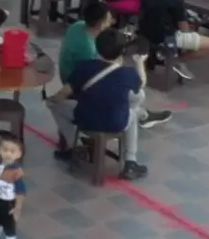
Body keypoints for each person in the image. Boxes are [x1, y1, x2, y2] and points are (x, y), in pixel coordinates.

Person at [48, 29, 149, 179]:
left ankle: (73, 147)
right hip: (116, 122)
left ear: (97, 46)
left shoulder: (85, 67)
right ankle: (130, 162)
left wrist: (51, 100)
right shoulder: (128, 74)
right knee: (133, 113)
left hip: (85, 119)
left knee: (54, 105)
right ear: (123, 51)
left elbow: (63, 94)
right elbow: (141, 84)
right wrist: (139, 62)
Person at [138, 0, 209, 83]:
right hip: (164, 37)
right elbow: (183, 28)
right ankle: (176, 61)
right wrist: (191, 31)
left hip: (144, 27)